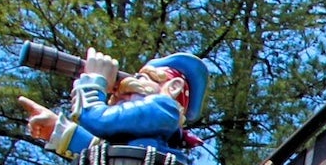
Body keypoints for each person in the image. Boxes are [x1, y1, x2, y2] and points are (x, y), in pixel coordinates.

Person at [17, 48, 208, 158]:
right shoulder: (137, 137)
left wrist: (94, 79)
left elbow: (100, 121)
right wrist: (55, 128)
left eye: (142, 78)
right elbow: (101, 154)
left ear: (173, 87)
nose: (123, 85)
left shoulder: (164, 109)